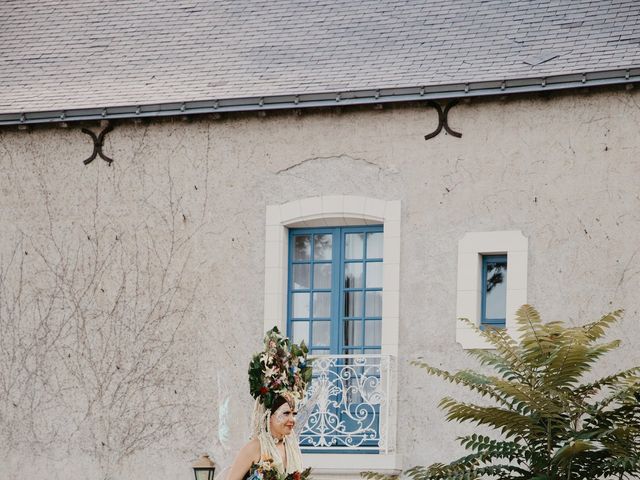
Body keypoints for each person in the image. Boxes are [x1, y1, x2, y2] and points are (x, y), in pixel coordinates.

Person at [224, 327, 313, 480]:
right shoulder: (254, 447)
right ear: (269, 416)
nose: (292, 420)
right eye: (286, 413)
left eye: (294, 414)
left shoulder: (291, 446)